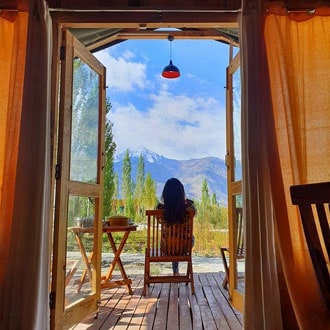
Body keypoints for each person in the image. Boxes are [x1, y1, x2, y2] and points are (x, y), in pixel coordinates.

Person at [157, 178, 195, 276]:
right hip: (184, 248)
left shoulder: (160, 209)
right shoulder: (189, 207)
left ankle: (175, 271)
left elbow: (159, 219)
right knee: (189, 238)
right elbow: (194, 211)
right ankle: (176, 271)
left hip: (167, 248)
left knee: (171, 239)